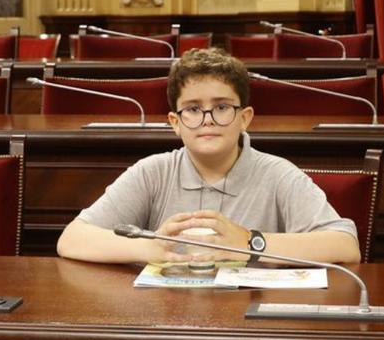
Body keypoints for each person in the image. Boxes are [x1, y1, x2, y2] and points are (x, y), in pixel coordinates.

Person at [57, 47, 361, 265]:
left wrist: (249, 244)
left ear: (245, 117)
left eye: (222, 107)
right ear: (175, 123)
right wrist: (149, 248)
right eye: (192, 109)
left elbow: (345, 245)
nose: (207, 119)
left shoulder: (278, 174)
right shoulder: (152, 172)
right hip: (169, 324)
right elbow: (71, 239)